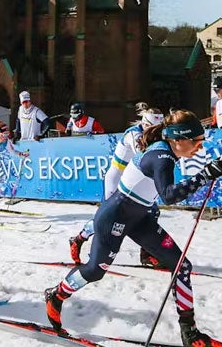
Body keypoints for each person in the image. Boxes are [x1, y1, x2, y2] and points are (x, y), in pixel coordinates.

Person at [42, 110, 222, 347]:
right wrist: (206, 175)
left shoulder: (166, 152)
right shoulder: (162, 156)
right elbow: (169, 195)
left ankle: (191, 334)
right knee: (94, 271)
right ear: (179, 139)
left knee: (181, 266)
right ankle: (56, 295)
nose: (199, 147)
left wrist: (206, 174)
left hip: (139, 217)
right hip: (114, 218)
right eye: (196, 141)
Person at [68, 105, 164, 263]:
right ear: (146, 125)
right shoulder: (133, 134)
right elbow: (145, 155)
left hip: (134, 180)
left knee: (152, 213)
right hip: (117, 179)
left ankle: (147, 254)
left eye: (160, 128)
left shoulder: (152, 133)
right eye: (155, 128)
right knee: (108, 219)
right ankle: (79, 239)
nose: (157, 132)